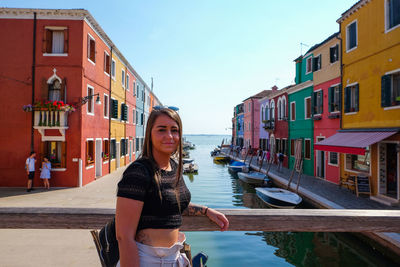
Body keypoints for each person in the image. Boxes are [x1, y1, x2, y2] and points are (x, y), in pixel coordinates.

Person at [115, 107, 229, 267]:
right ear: (150, 134)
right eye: (162, 130)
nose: (169, 136)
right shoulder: (138, 172)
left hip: (174, 258)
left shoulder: (174, 167)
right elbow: (124, 236)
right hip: (146, 259)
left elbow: (171, 204)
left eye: (174, 130)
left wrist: (205, 210)